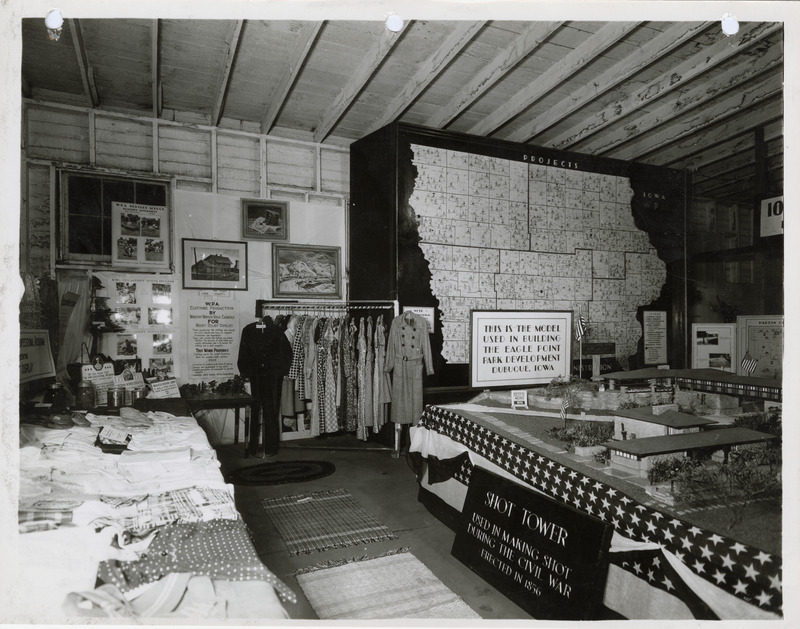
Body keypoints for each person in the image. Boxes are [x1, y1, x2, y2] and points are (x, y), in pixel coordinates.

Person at [237, 315, 293, 457]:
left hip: (272, 376)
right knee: (256, 409)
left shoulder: (276, 332)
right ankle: (254, 446)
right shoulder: (248, 331)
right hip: (256, 375)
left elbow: (287, 354)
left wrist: (281, 371)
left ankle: (270, 447)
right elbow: (243, 353)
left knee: (271, 411)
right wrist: (245, 372)